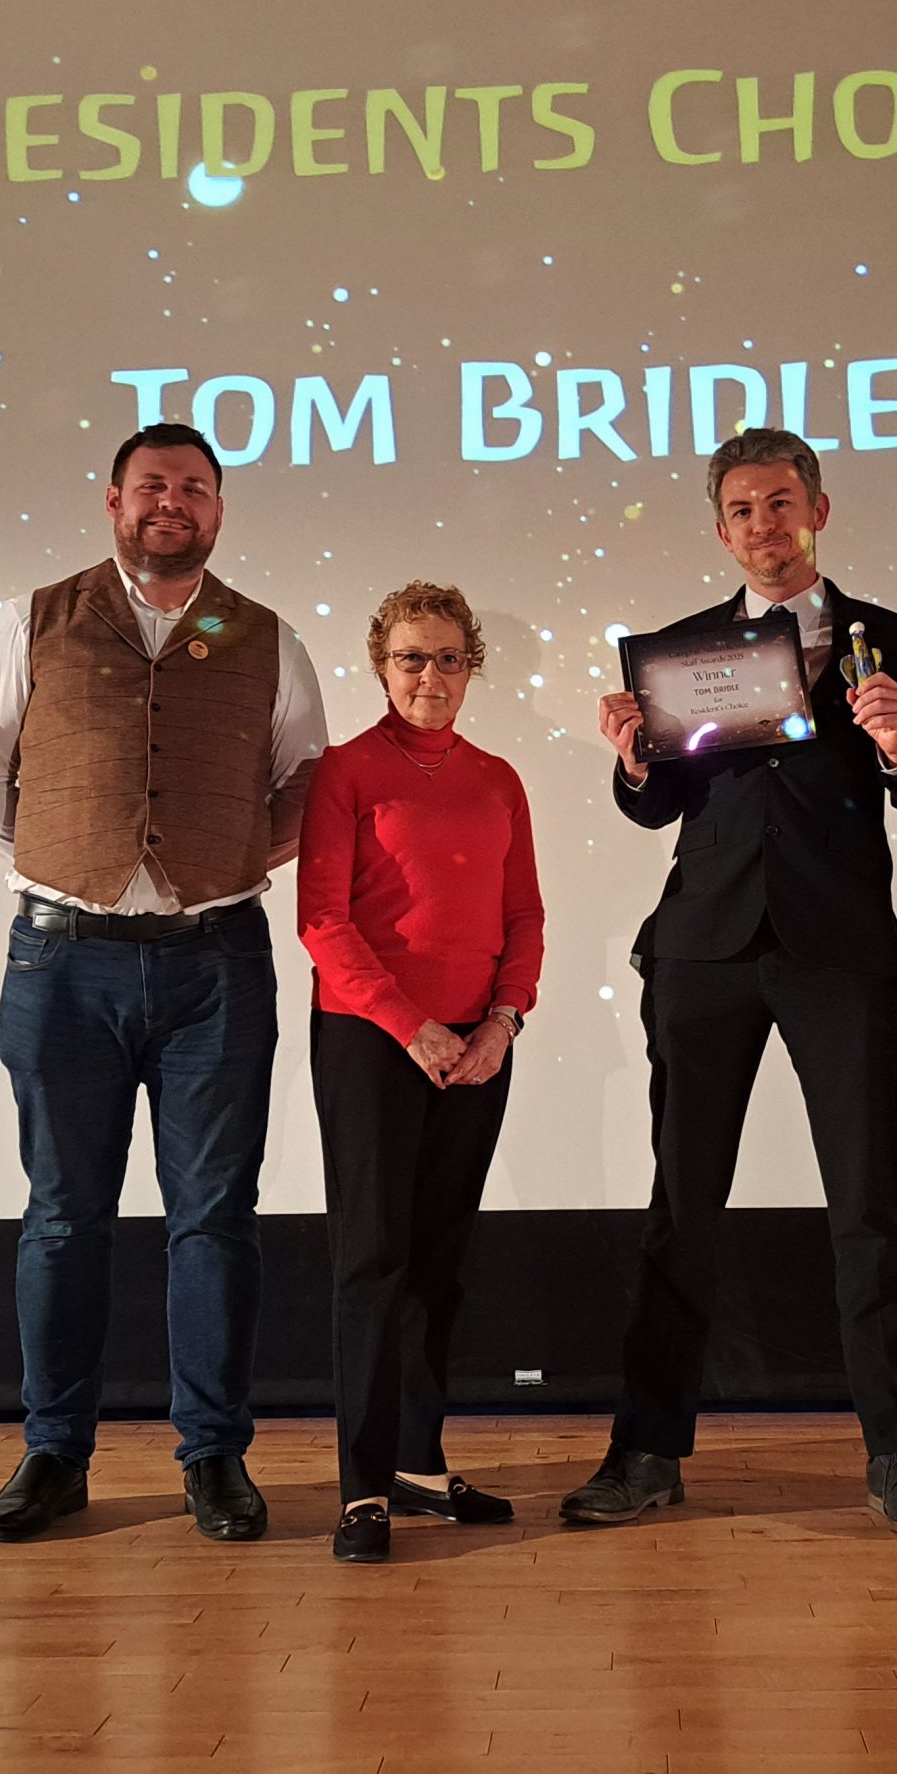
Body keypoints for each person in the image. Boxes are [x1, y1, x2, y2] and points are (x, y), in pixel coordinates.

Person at [562, 428, 897, 1535]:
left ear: (817, 511)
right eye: (741, 509)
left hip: (838, 950)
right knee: (681, 1209)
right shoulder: (685, 651)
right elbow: (657, 807)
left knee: (867, 1209)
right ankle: (645, 1452)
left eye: (780, 502)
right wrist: (632, 758)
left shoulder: (889, 639)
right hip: (705, 948)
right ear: (721, 529)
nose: (762, 525)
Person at [0, 421, 326, 1544]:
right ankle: (54, 1454)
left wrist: (228, 860)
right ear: (113, 501)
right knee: (65, 1217)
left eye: (194, 489)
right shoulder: (33, 620)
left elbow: (307, 779)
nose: (173, 503)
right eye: (152, 485)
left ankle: (214, 1454)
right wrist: (72, 864)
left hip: (218, 963)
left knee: (214, 1219)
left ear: (218, 511)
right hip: (62, 961)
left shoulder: (265, 635)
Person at [297, 582, 544, 1564]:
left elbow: (523, 916)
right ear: (381, 665)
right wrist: (412, 1026)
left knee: (439, 1260)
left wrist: (502, 1021)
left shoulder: (498, 779)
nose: (429, 675)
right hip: (372, 1040)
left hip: (478, 1046)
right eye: (411, 657)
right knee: (372, 1260)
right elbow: (323, 920)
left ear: (470, 666)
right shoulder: (346, 771)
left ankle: (418, 1464)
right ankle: (362, 1488)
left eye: (447, 657)